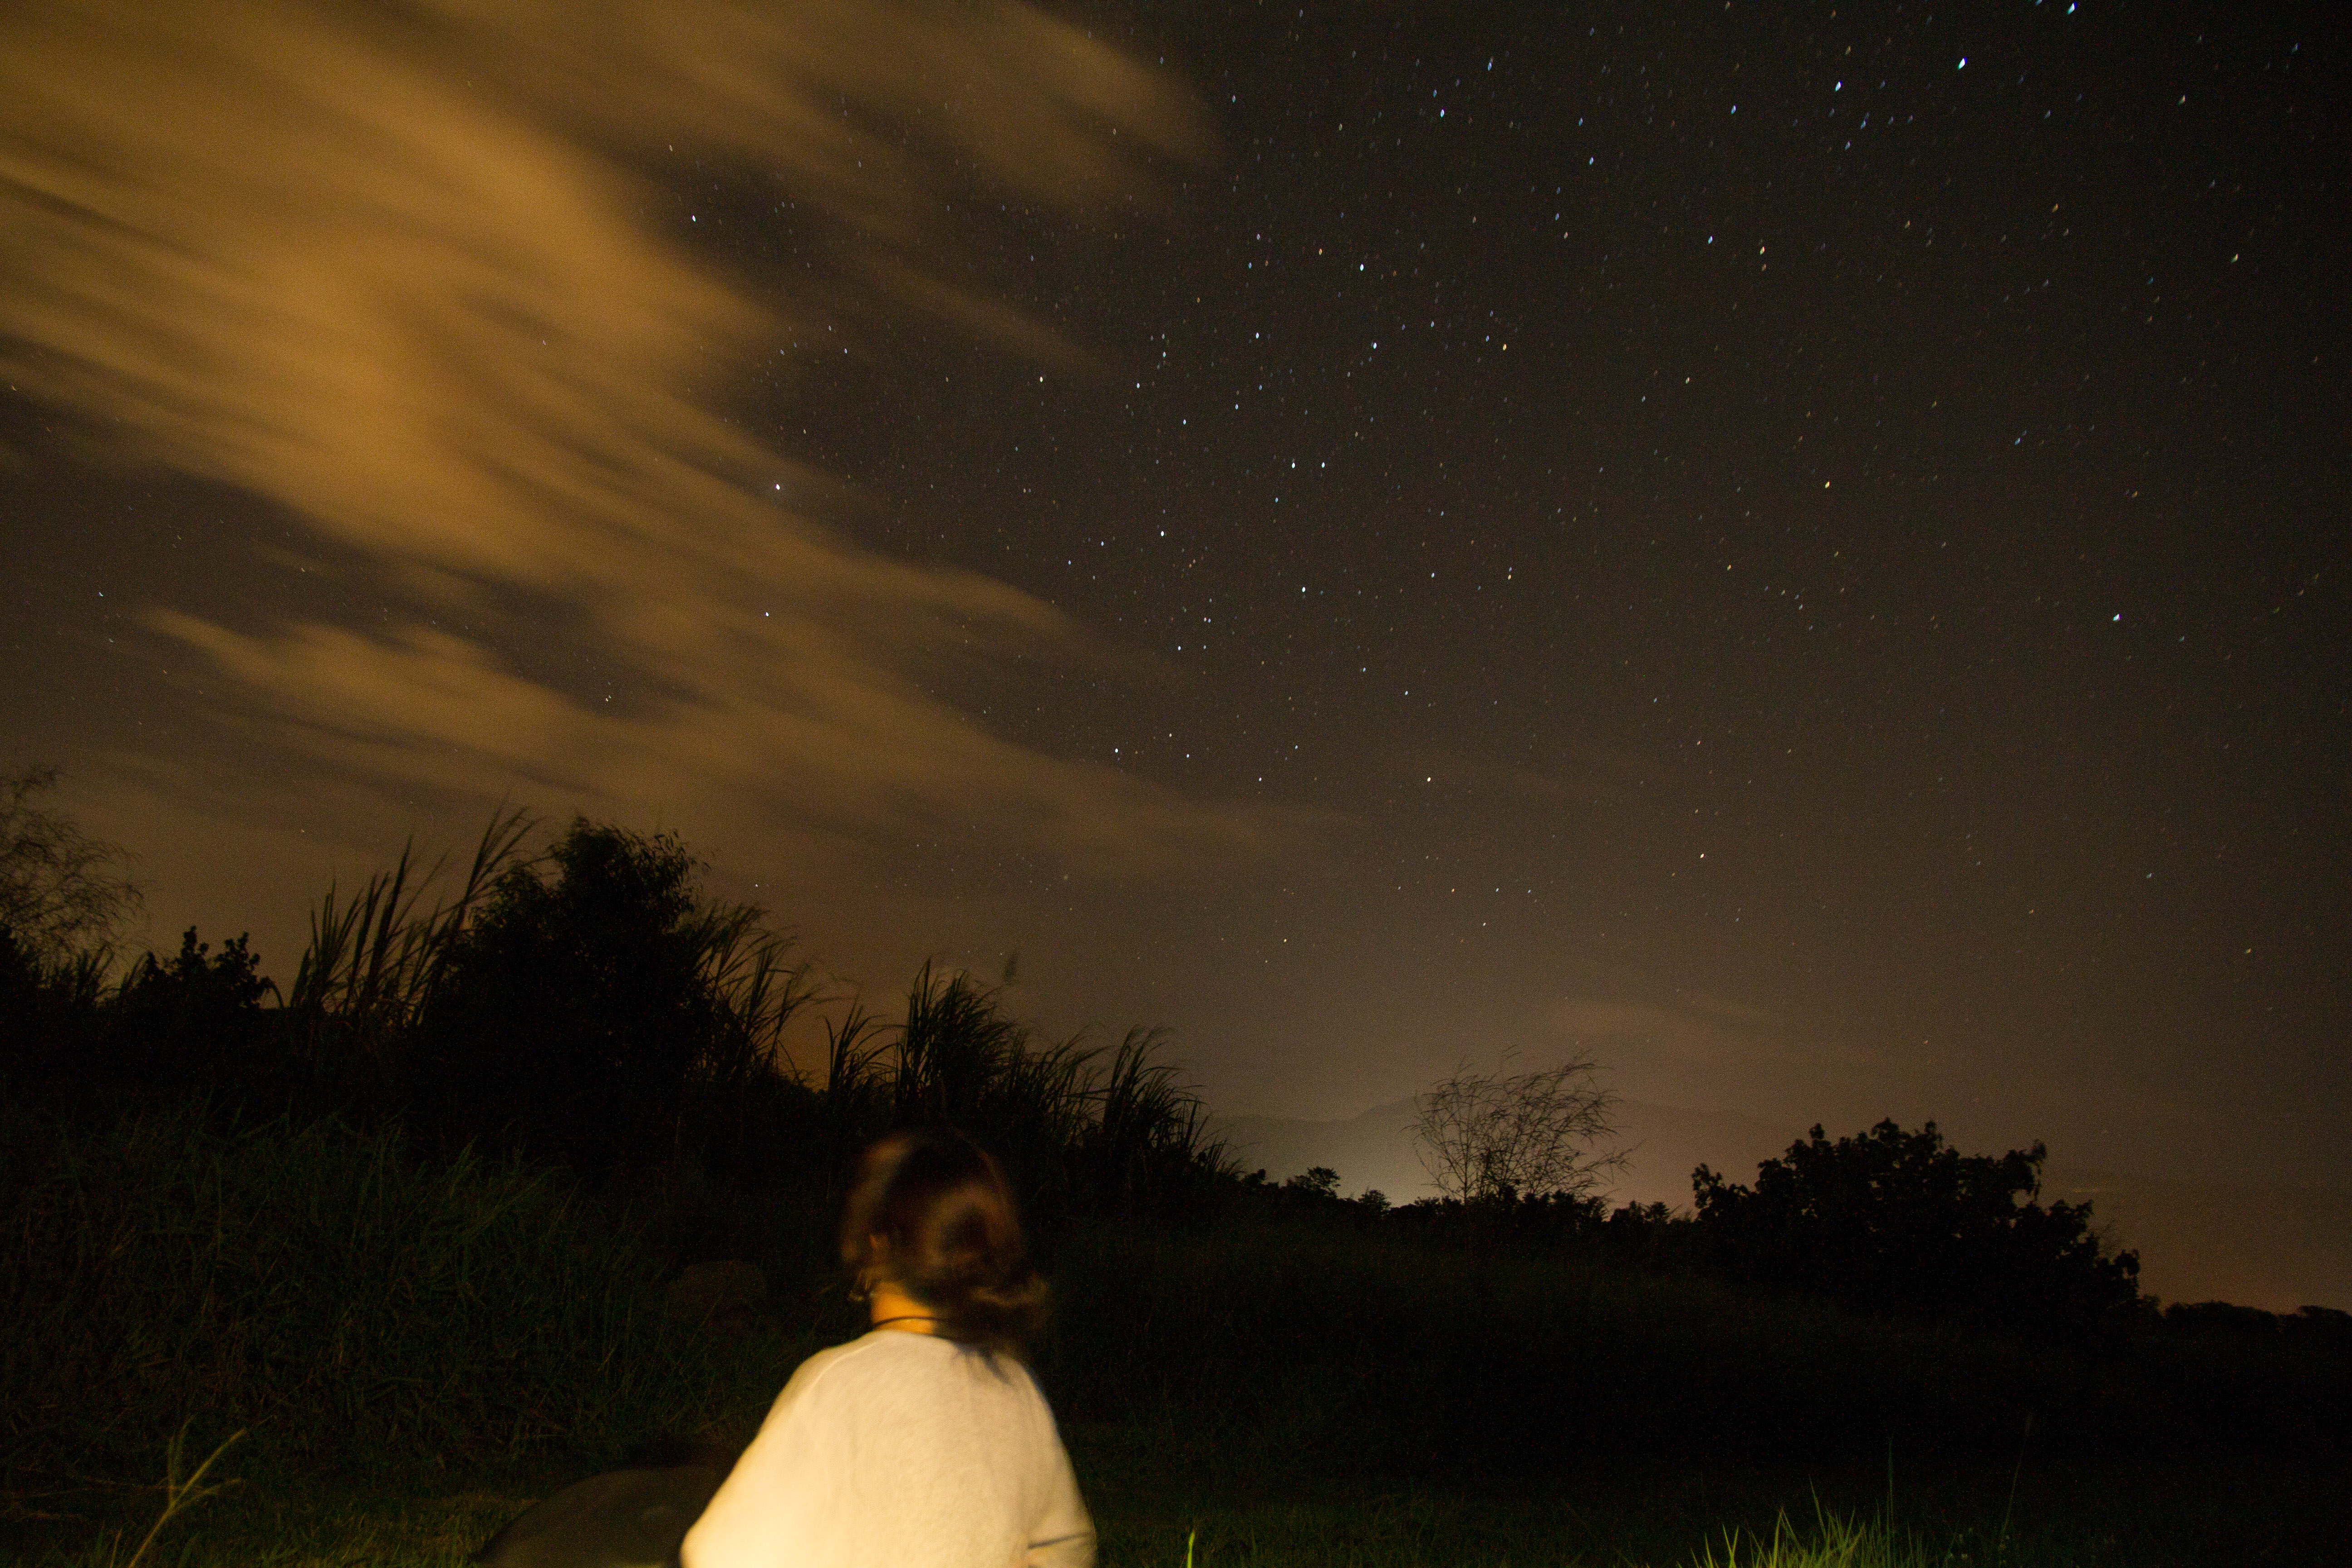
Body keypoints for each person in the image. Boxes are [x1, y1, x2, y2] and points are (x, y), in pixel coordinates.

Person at [680, 1130, 1093, 1568]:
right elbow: (1067, 1549)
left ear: (878, 1244)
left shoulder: (837, 1382)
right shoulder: (1016, 1390)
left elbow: (720, 1551)